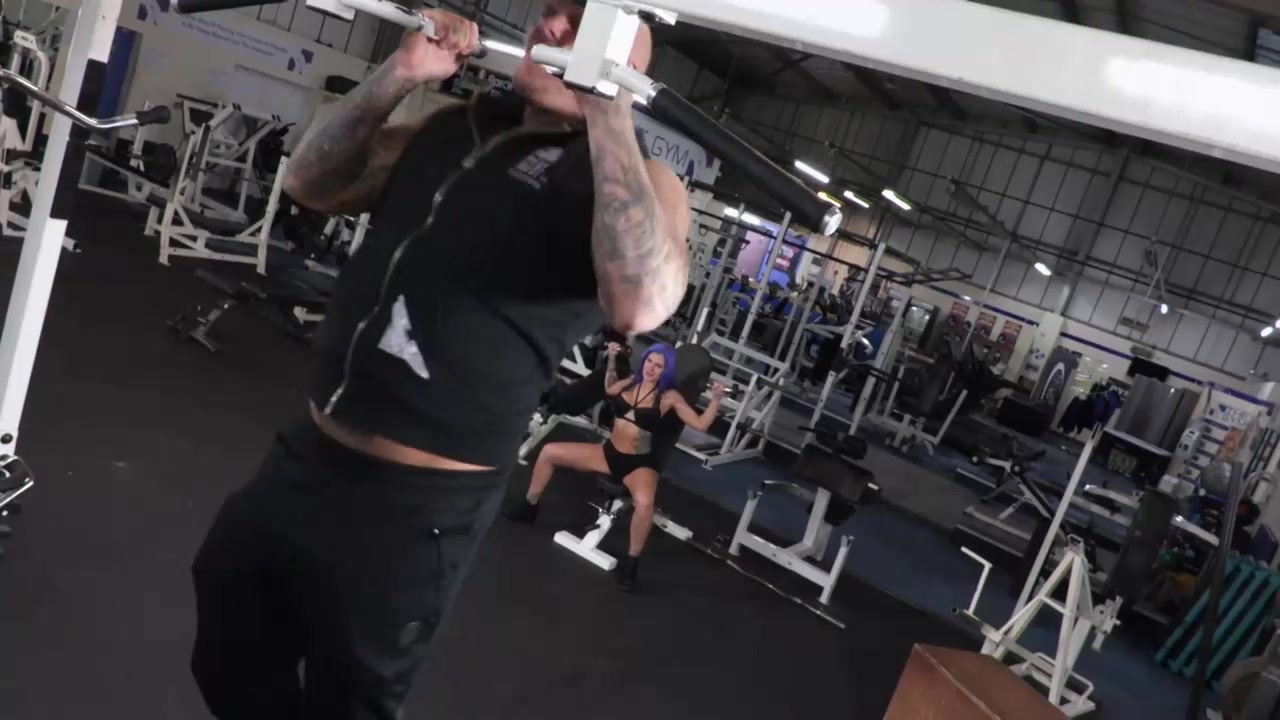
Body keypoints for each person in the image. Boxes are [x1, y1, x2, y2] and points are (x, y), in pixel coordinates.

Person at [189, 3, 692, 719]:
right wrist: (402, 73)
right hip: (307, 453)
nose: (549, 26)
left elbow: (640, 304)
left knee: (348, 703)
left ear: (620, 62)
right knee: (226, 649)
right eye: (550, 10)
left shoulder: (641, 178)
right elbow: (309, 182)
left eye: (578, 23)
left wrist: (607, 109)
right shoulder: (458, 126)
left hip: (416, 505)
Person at [508, 341, 723, 590]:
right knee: (548, 452)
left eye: (658, 366)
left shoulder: (669, 397)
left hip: (639, 464)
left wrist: (716, 399)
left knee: (644, 503)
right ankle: (529, 506)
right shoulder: (630, 381)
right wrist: (611, 358)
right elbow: (610, 389)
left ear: (666, 371)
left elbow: (700, 425)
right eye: (649, 361)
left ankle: (631, 563)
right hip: (608, 453)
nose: (651, 368)